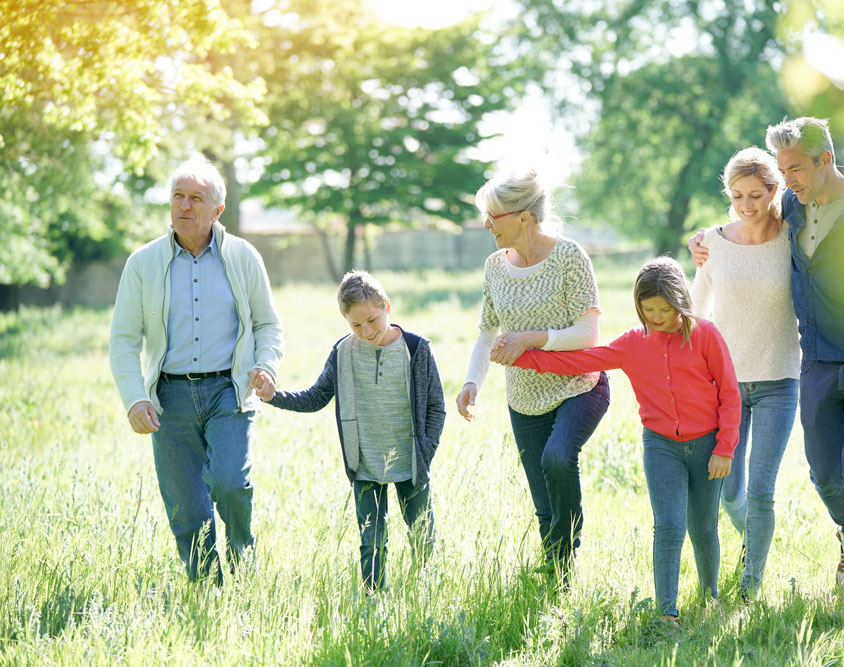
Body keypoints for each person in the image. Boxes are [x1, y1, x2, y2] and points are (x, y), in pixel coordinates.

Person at [692, 118, 844, 601]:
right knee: (824, 473)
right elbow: (742, 224)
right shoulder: (791, 205)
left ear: (826, 160)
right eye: (783, 171)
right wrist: (702, 240)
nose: (788, 181)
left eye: (796, 170)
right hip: (817, 362)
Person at [507, 256, 740, 627]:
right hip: (661, 445)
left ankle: (709, 596)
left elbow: (730, 394)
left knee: (702, 526)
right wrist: (526, 357)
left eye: (666, 309)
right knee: (668, 525)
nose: (657, 316)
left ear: (681, 302)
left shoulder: (705, 335)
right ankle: (667, 612)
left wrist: (725, 448)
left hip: (709, 446)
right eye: (648, 309)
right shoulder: (633, 342)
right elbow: (583, 359)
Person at [109, 155, 283, 583]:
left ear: (217, 210)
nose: (184, 206)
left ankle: (243, 563)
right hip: (169, 398)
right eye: (178, 197)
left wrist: (266, 367)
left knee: (229, 483)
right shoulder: (142, 263)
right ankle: (208, 593)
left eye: (196, 199)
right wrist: (135, 399)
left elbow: (268, 324)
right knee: (187, 509)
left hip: (229, 390)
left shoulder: (243, 256)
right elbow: (124, 341)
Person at [455, 168, 610, 579]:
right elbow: (488, 332)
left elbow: (588, 333)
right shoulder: (494, 267)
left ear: (523, 216)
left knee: (558, 458)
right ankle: (559, 581)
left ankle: (571, 539)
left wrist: (532, 338)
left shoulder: (569, 257)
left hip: (579, 385)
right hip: (524, 396)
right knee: (543, 505)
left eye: (494, 216)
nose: (487, 224)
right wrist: (473, 382)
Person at [255, 270, 445, 592]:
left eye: (372, 320)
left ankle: (425, 597)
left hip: (412, 464)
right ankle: (374, 600)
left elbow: (436, 408)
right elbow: (315, 398)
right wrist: (274, 395)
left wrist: (424, 454)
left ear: (387, 306)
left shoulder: (416, 349)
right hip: (365, 464)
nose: (366, 331)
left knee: (423, 537)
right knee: (372, 540)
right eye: (356, 325)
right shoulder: (343, 352)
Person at [689, 147, 800, 601]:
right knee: (728, 490)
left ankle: (750, 586)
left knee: (760, 489)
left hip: (779, 378)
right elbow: (696, 308)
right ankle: (752, 544)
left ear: (775, 191)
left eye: (756, 194)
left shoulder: (795, 237)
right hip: (726, 385)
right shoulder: (712, 242)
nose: (747, 204)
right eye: (737, 195)